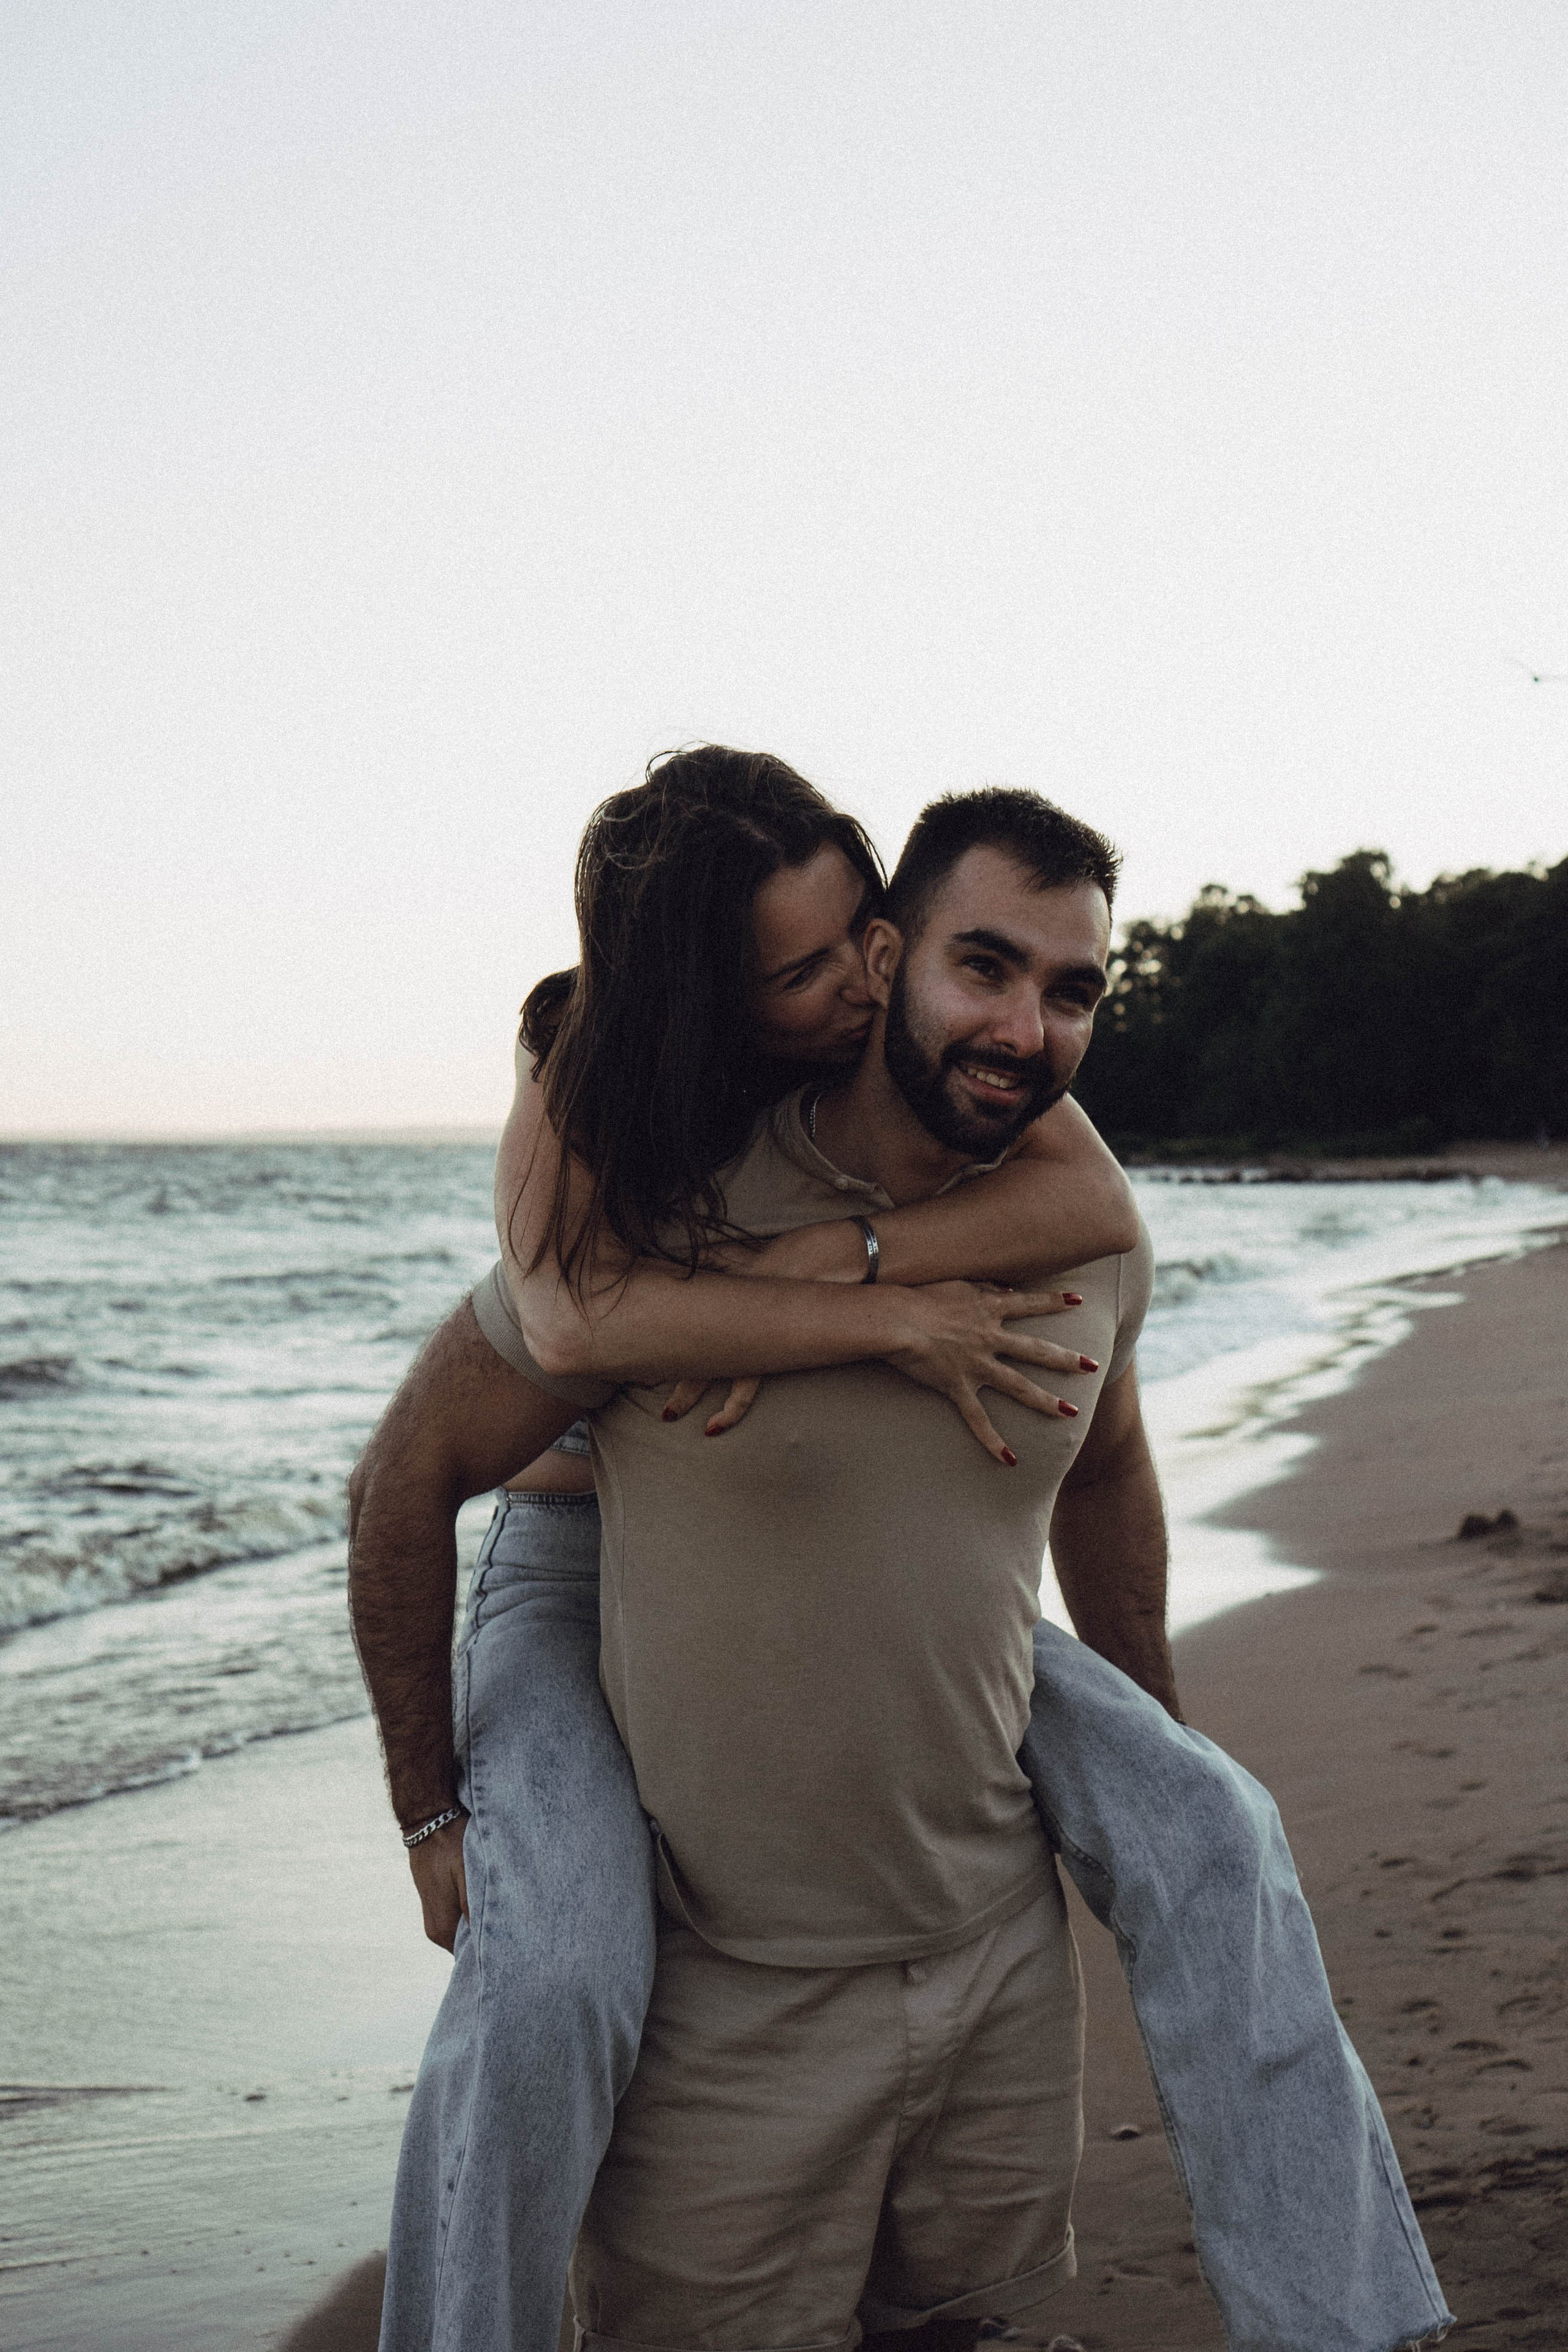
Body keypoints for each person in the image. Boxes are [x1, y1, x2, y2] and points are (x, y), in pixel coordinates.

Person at [350, 750, 1452, 2352]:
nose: (1013, 1021)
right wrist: (430, 1805)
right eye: (976, 963)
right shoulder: (643, 1152)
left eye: (1070, 986)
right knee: (549, 1980)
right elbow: (514, 1372)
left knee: (1208, 1817)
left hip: (964, 1855)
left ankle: (1357, 2329)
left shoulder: (1050, 1179)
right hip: (580, 1553)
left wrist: (861, 1254)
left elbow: (1107, 1426)